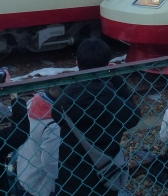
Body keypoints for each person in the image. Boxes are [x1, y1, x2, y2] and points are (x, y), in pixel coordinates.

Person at [52, 39, 141, 196]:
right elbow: (133, 116)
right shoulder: (113, 99)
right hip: (105, 175)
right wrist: (115, 78)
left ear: (77, 63)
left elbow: (56, 116)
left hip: (71, 177)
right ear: (107, 65)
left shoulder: (66, 96)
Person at [16, 86, 63, 196]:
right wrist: (62, 178)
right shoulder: (53, 125)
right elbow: (49, 160)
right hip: (42, 186)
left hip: (24, 174)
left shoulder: (31, 103)